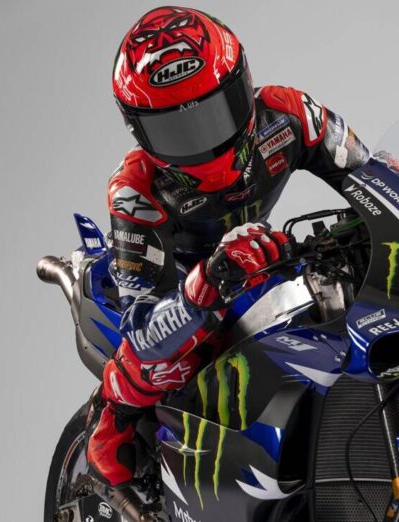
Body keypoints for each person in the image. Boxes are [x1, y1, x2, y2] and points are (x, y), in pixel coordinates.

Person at [85, 6, 370, 487]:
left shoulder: (292, 114)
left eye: (215, 113)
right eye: (175, 131)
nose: (204, 142)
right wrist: (206, 281)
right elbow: (143, 327)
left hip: (259, 260)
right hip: (182, 286)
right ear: (139, 131)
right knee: (168, 356)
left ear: (243, 86)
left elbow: (377, 181)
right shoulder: (135, 189)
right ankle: (112, 415)